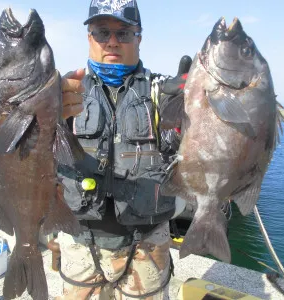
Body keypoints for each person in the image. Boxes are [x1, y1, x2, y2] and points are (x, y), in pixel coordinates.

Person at [56, 1, 191, 299]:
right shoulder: (66, 90)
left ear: (139, 38)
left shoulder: (161, 91)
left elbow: (186, 151)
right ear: (89, 38)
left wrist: (188, 110)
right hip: (79, 239)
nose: (112, 41)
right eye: (102, 32)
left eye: (124, 33)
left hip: (147, 243)